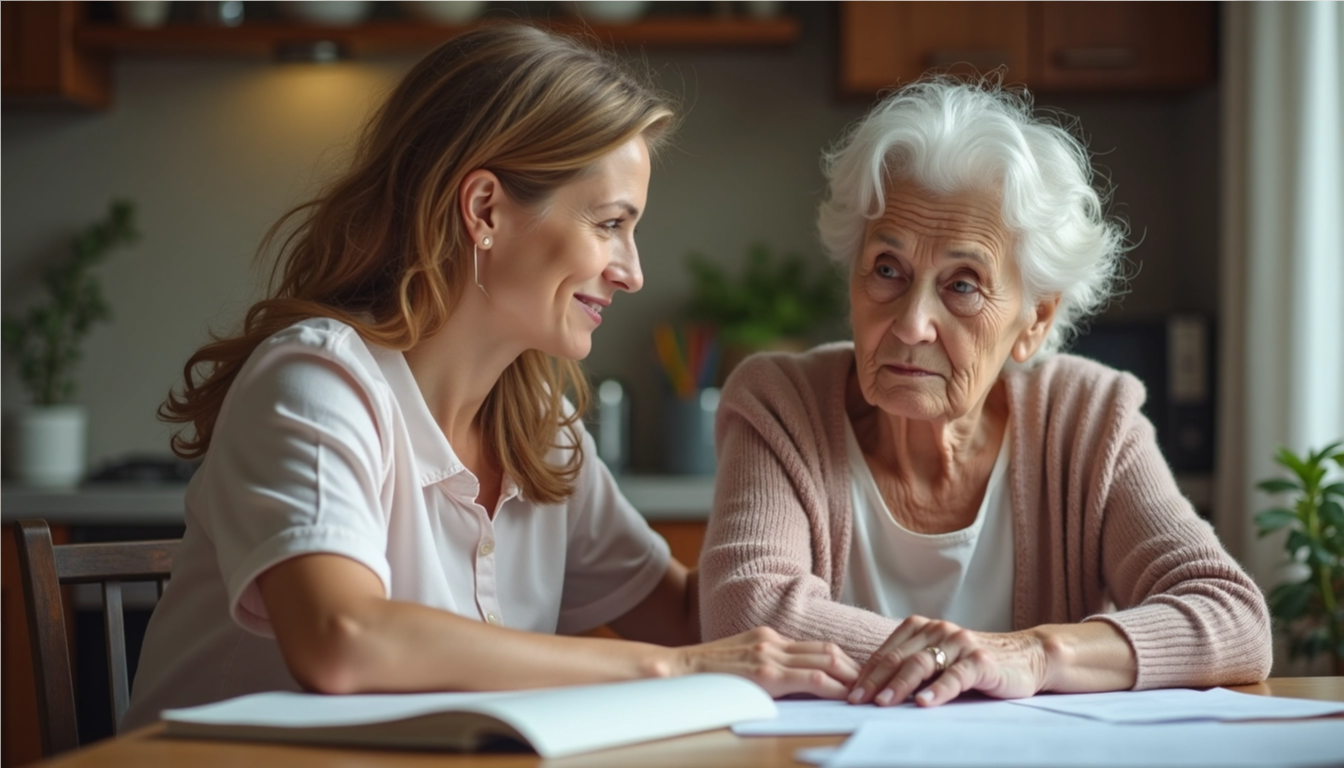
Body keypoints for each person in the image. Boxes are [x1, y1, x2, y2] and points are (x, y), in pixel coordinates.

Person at [124, 24, 858, 731]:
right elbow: (341, 637)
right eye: (609, 224)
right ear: (484, 210)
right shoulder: (318, 381)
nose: (632, 272)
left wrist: (925, 620)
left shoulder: (538, 425)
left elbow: (698, 616)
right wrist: (676, 670)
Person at [698, 79, 1271, 709]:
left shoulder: (1088, 418)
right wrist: (960, 662)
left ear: (1035, 323)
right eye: (888, 270)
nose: (913, 323)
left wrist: (1032, 654)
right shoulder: (781, 404)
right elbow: (744, 611)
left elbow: (1231, 616)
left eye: (962, 285)